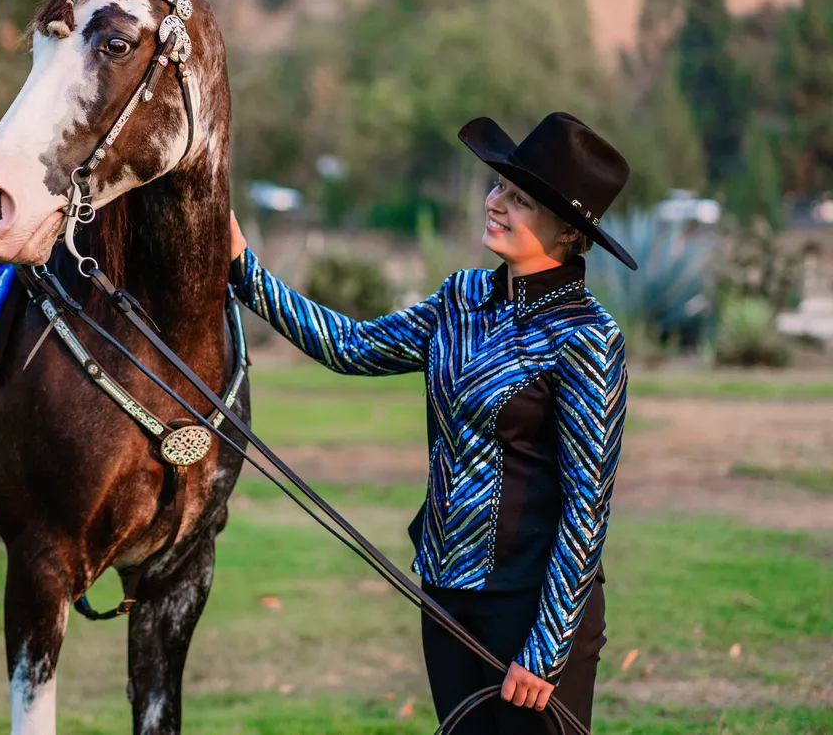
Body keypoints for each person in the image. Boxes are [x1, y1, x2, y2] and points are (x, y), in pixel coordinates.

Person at [228, 112, 635, 734]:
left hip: (530, 611)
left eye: (520, 199)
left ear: (566, 231)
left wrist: (545, 649)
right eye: (500, 186)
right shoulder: (460, 298)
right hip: (444, 592)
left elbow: (587, 507)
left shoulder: (588, 337)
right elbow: (353, 345)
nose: (496, 202)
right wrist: (242, 269)